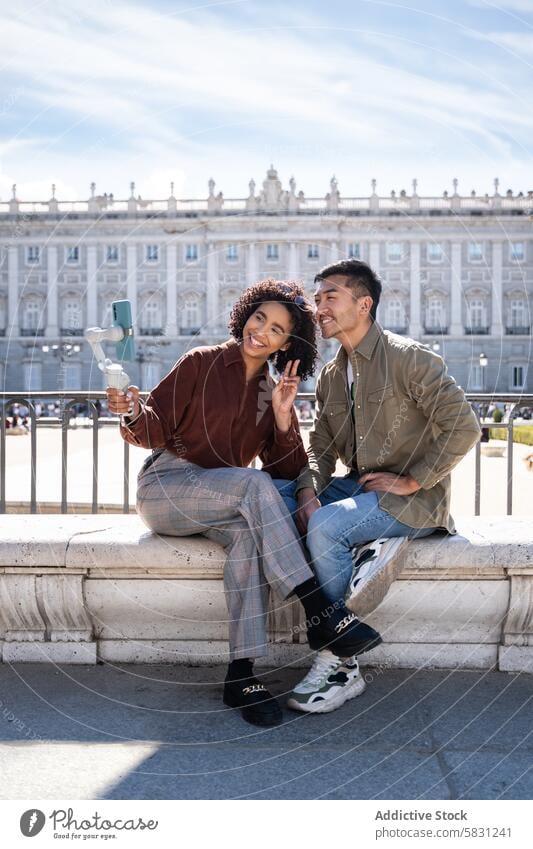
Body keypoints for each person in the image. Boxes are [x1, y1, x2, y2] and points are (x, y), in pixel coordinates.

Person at [106, 279, 381, 728]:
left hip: (223, 500)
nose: (261, 332)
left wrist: (281, 413)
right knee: (253, 487)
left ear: (286, 344)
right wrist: (132, 411)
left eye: (275, 329)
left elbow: (287, 469)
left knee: (249, 537)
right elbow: (152, 426)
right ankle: (319, 611)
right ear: (245, 315)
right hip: (168, 486)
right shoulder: (202, 362)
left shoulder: (270, 389)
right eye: (259, 318)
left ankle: (242, 674)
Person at [273, 260, 481, 714]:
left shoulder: (410, 359)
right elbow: (321, 449)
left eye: (330, 296)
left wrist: (412, 478)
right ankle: (341, 615)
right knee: (277, 500)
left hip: (415, 502)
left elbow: (464, 427)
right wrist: (307, 490)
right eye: (318, 296)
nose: (319, 306)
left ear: (363, 304)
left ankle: (340, 662)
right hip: (360, 490)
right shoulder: (331, 376)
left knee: (326, 526)